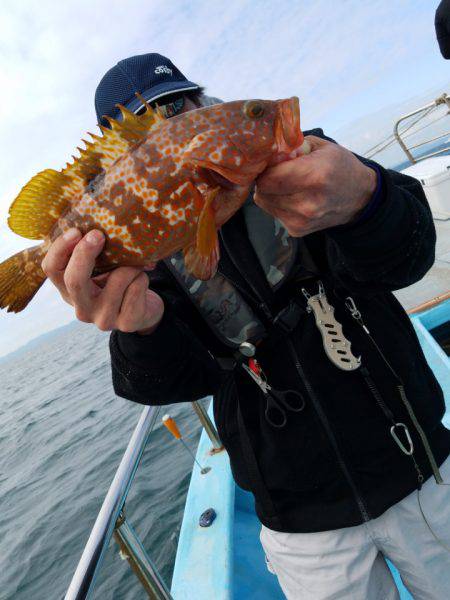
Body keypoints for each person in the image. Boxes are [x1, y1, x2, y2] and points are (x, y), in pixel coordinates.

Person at [42, 53, 450, 599]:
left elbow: (409, 256)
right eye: (149, 121)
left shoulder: (312, 165)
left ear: (202, 105)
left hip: (422, 464)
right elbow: (172, 382)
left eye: (179, 105)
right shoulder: (149, 254)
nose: (173, 124)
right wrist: (141, 329)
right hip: (300, 521)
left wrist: (366, 201)